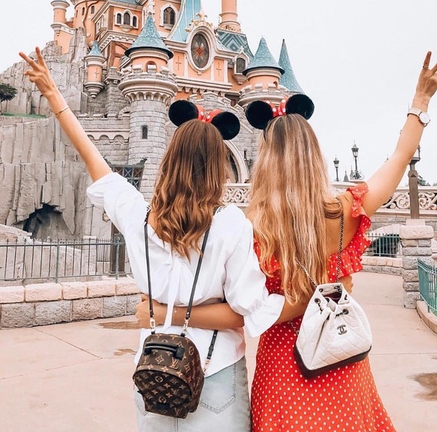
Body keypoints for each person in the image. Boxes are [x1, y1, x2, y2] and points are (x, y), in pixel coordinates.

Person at [137, 50, 437, 431]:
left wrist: (163, 312)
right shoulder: (344, 213)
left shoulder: (251, 228)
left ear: (267, 160)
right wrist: (420, 102)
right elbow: (400, 158)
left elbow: (238, 309)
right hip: (339, 361)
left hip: (283, 375)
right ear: (314, 155)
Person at [19, 46, 315, 432]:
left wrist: (54, 97)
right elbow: (247, 310)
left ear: (170, 160)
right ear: (219, 167)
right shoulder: (230, 224)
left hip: (154, 372)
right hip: (215, 373)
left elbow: (96, 164)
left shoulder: (139, 218)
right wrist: (310, 295)